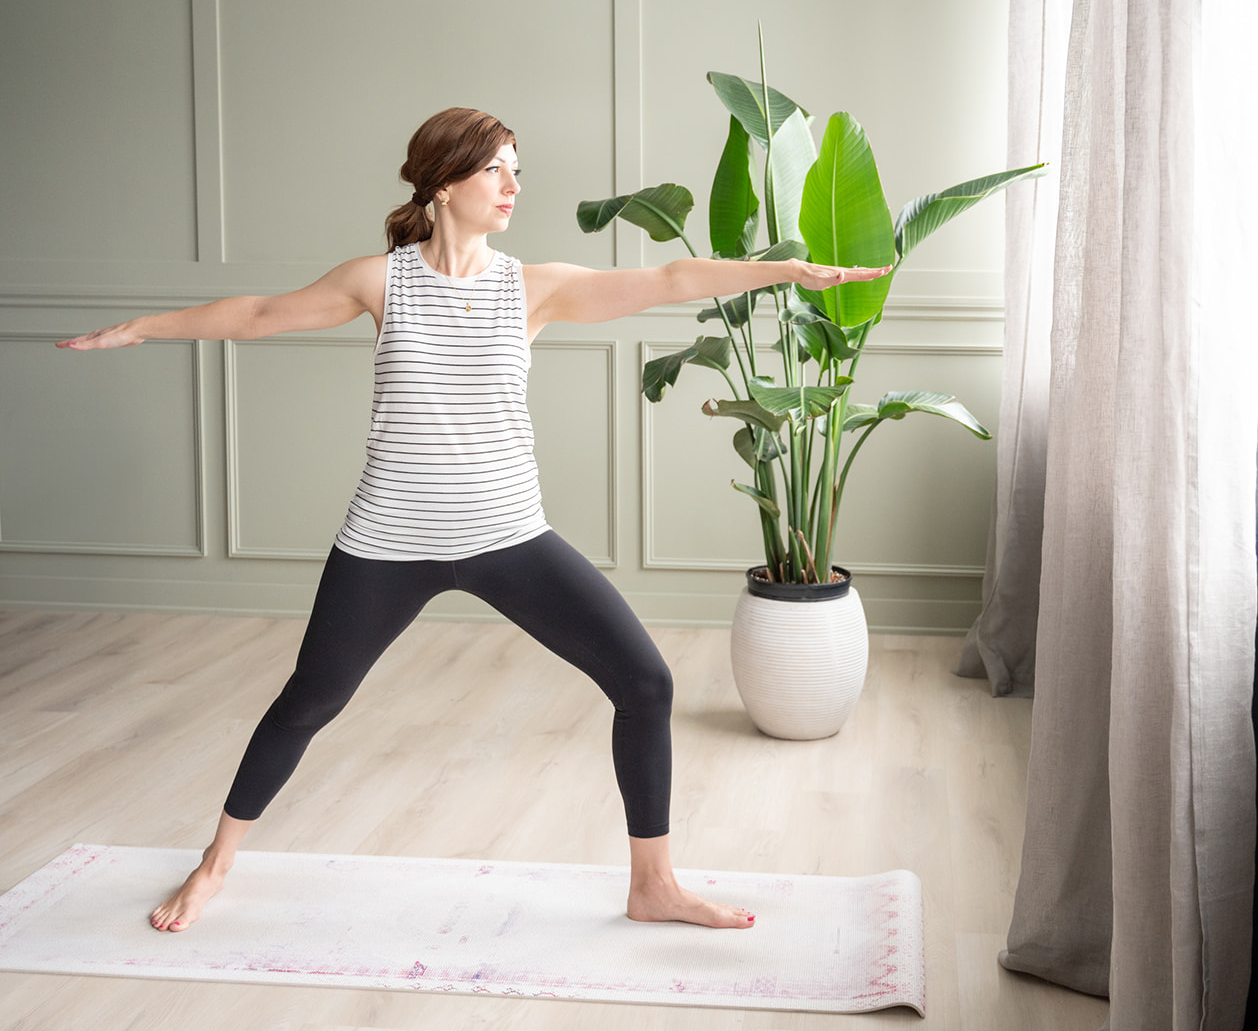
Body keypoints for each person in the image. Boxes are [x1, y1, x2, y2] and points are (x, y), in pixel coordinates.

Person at [58, 106, 889, 934]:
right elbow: (258, 315)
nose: (512, 185)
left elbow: (670, 280)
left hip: (507, 538)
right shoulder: (380, 280)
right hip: (388, 542)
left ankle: (654, 884)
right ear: (444, 183)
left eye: (516, 168)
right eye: (495, 168)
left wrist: (786, 272)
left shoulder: (532, 288)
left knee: (646, 684)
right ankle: (213, 865)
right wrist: (140, 328)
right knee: (308, 701)